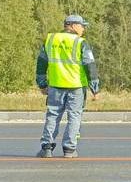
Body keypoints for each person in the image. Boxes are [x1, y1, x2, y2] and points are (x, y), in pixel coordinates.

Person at [35, 14, 100, 158]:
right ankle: (69, 149)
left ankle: (47, 148)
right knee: (74, 117)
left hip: (56, 85)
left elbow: (41, 63)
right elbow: (90, 65)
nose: (83, 29)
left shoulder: (50, 39)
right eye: (82, 26)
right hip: (76, 87)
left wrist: (42, 84)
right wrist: (95, 89)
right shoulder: (81, 42)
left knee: (52, 115)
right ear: (74, 25)